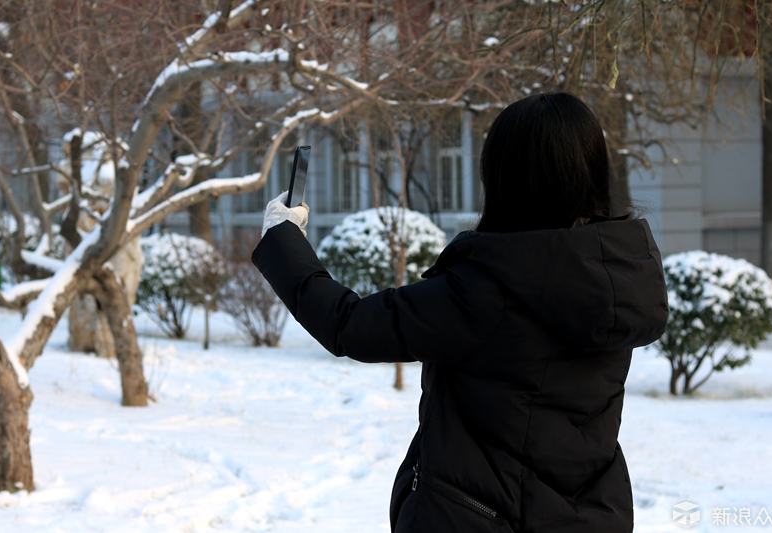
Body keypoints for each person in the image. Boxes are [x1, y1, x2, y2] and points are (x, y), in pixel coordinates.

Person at [252, 92, 668, 533]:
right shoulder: (615, 277)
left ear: (505, 178)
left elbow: (350, 326)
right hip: (591, 516)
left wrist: (282, 240)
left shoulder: (489, 289)